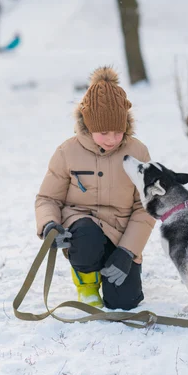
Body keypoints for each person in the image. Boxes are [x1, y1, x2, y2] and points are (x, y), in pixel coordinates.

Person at [35, 66, 155, 310]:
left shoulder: (137, 152)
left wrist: (127, 251)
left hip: (121, 235)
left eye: (118, 131)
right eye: (103, 132)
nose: (112, 139)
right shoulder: (67, 152)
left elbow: (145, 207)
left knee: (124, 302)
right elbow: (47, 198)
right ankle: (87, 285)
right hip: (82, 227)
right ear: (88, 126)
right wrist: (48, 224)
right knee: (87, 237)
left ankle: (112, 271)